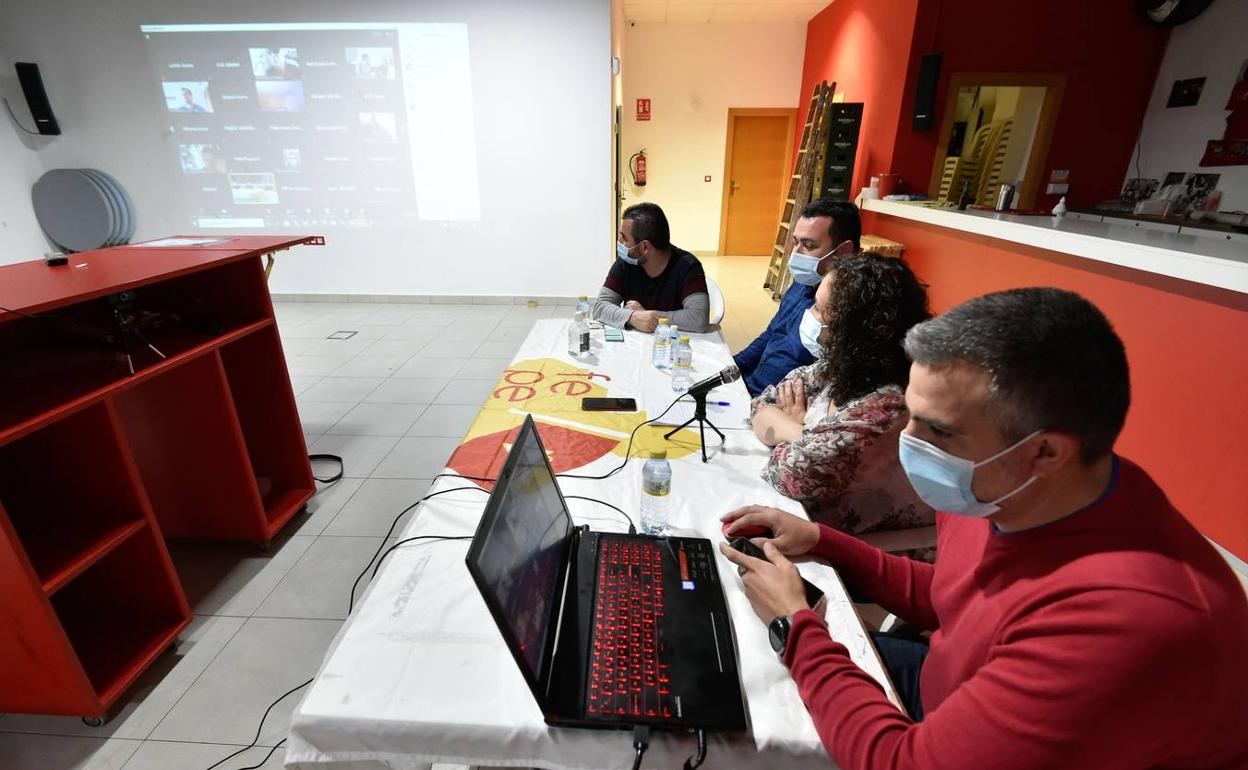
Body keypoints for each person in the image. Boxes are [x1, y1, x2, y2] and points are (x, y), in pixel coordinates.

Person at [720, 288, 1248, 769]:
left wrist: (795, 626)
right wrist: (823, 541)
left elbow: (900, 762)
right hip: (949, 689)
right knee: (731, 665)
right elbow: (955, 593)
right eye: (912, 415)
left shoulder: (1128, 620)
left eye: (939, 431)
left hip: (937, 741)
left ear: (1045, 451)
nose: (909, 442)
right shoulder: (1012, 487)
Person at [747, 253, 934, 539]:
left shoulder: (886, 406)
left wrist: (798, 430)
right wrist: (805, 435)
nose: (810, 316)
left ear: (859, 330)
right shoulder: (844, 364)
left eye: (822, 311)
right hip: (807, 523)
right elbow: (763, 403)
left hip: (860, 554)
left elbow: (788, 474)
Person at [734, 200, 859, 396]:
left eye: (809, 245)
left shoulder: (852, 306)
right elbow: (772, 334)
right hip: (752, 388)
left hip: (778, 408)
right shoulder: (804, 282)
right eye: (795, 242)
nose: (796, 253)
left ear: (843, 251)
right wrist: (730, 368)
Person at [593, 202, 709, 333]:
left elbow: (699, 319)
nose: (620, 242)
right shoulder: (625, 263)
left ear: (644, 247)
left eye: (624, 238)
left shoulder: (688, 267)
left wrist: (650, 315)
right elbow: (599, 308)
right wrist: (633, 317)